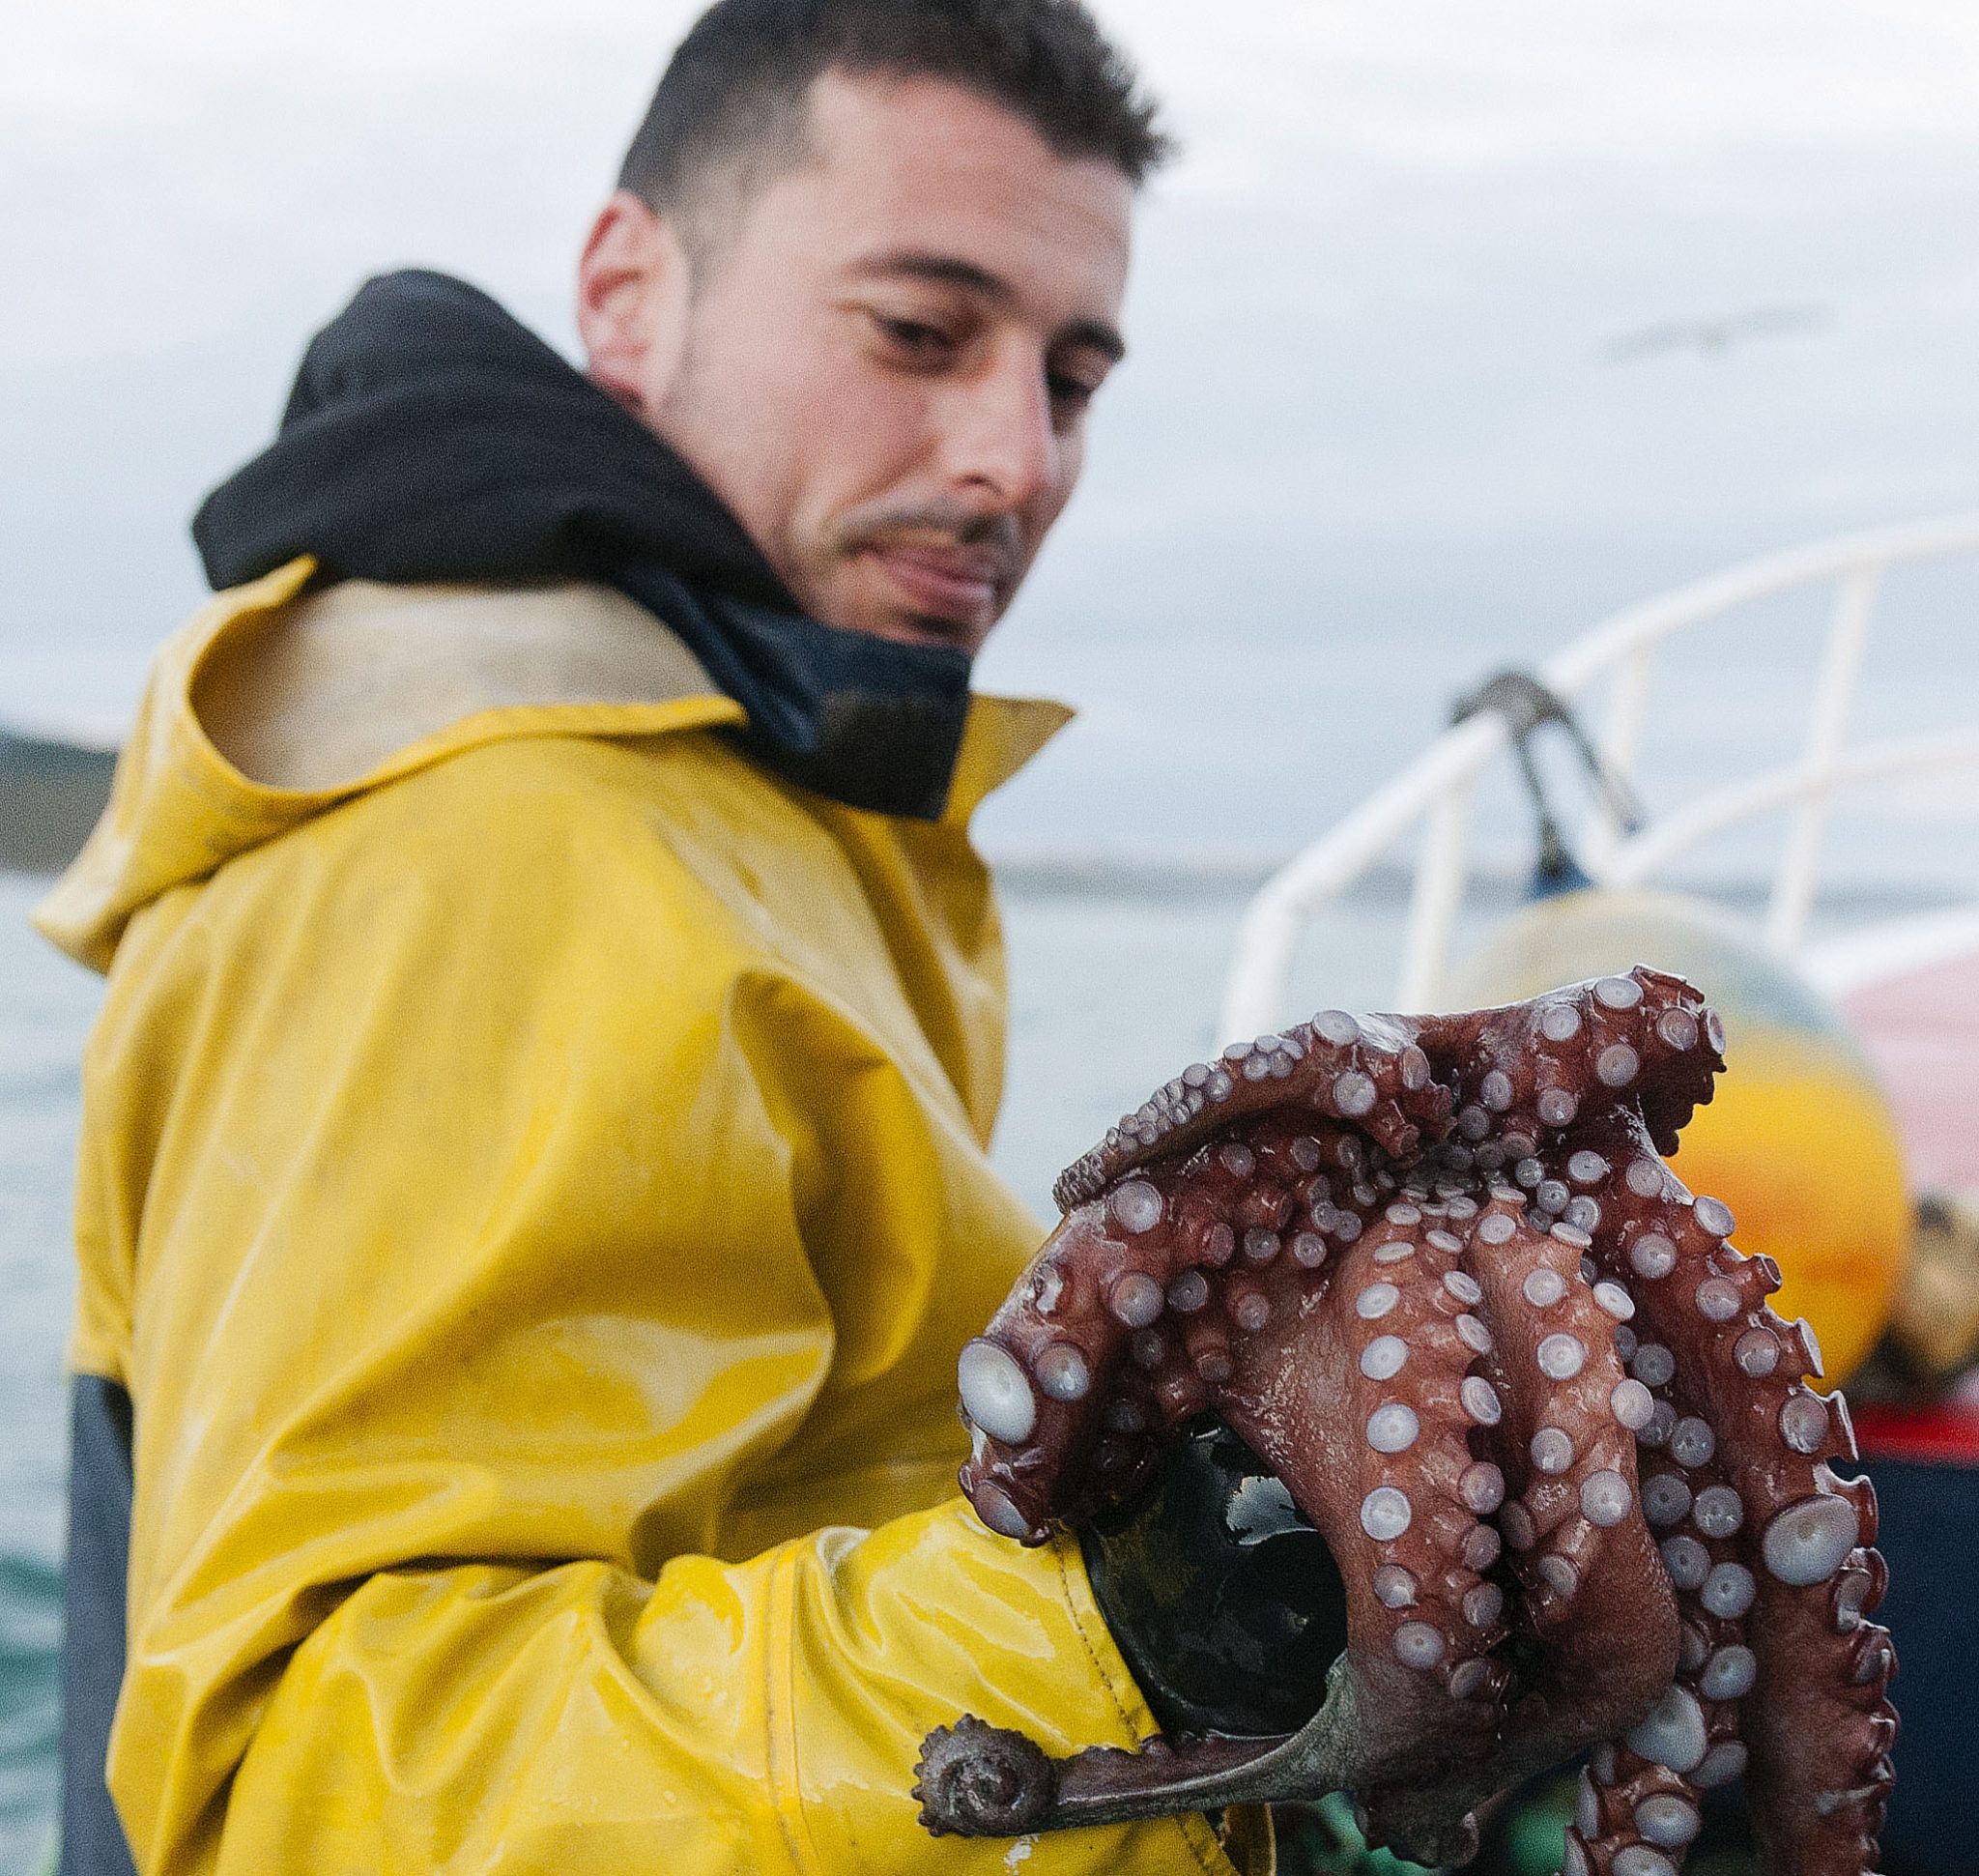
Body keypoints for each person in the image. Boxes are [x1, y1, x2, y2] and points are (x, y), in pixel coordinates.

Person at [38, 4, 1339, 1871]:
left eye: (1072, 377)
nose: (1013, 459)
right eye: (917, 333)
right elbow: (311, 1783)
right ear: (629, 294)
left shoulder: (759, 795)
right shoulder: (488, 837)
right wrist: (1136, 1637)